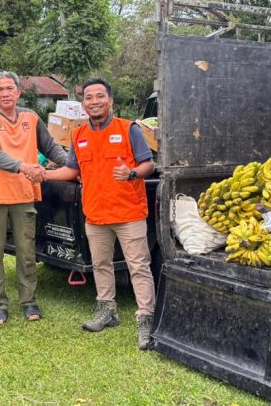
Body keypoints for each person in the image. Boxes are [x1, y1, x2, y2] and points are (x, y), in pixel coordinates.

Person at [44, 77, 156, 349]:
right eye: (88, 97)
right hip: (95, 215)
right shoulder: (79, 135)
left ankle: (146, 321)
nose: (94, 102)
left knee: (138, 267)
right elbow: (72, 171)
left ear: (110, 100)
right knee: (100, 266)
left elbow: (148, 165)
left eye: (99, 96)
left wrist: (131, 173)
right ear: (83, 104)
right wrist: (43, 174)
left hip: (129, 213)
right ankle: (108, 312)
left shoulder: (129, 129)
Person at [0, 71, 67, 325]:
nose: (5, 93)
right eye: (0, 90)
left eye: (9, 89)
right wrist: (24, 167)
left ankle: (28, 301)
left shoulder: (31, 117)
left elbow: (49, 147)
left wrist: (72, 166)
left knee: (27, 252)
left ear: (19, 92)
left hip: (24, 195)